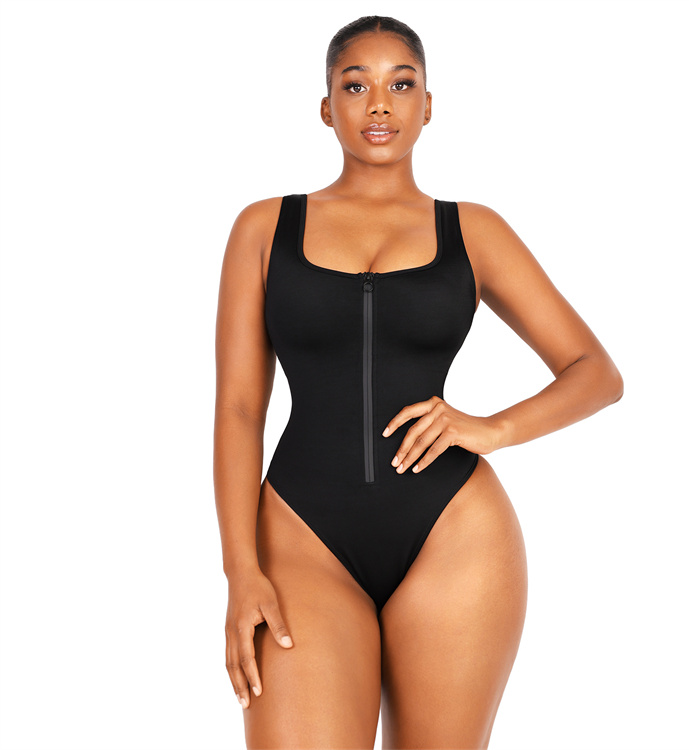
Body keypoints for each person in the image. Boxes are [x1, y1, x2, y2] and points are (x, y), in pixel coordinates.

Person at [213, 15, 624, 750]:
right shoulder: (263, 229)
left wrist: (490, 428)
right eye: (356, 86)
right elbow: (240, 409)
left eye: (401, 85)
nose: (379, 104)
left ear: (428, 106)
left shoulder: (473, 230)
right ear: (325, 107)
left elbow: (596, 372)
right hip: (301, 536)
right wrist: (240, 572)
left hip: (454, 535)